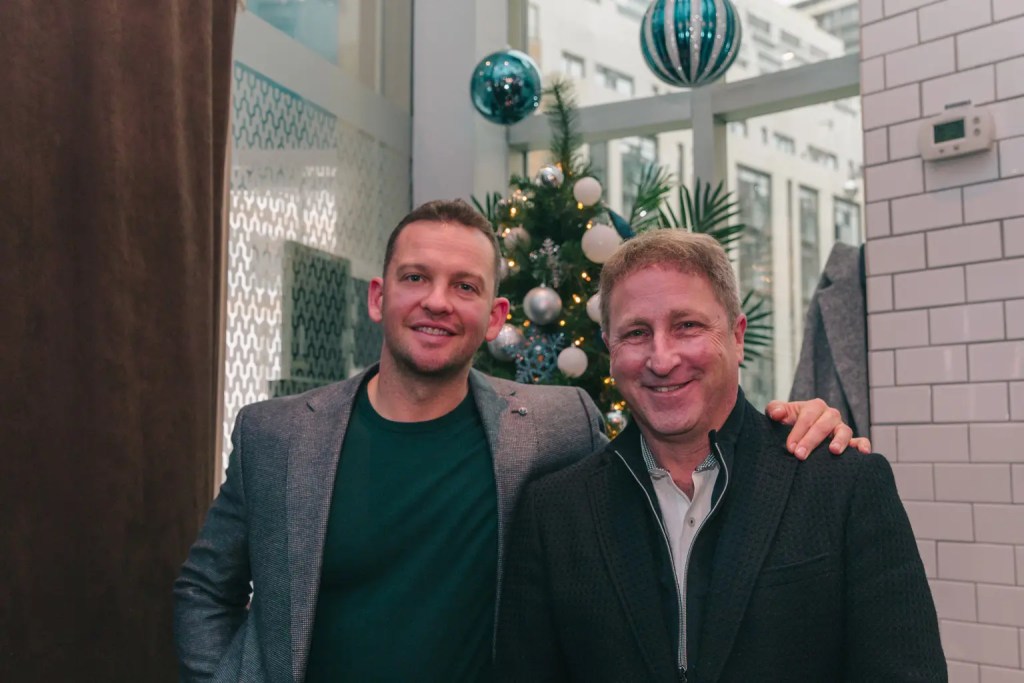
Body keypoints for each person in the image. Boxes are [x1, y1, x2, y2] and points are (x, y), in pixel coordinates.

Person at [173, 200, 869, 682]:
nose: (438, 300)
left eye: (464, 284)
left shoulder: (558, 425)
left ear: (495, 314)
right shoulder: (277, 433)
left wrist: (805, 422)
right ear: (379, 296)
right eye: (417, 278)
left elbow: (673, 452)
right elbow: (206, 587)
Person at [495, 229, 945, 683]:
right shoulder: (554, 513)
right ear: (610, 350)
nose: (662, 358)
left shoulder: (843, 483)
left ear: (737, 336)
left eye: (687, 325)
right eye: (636, 332)